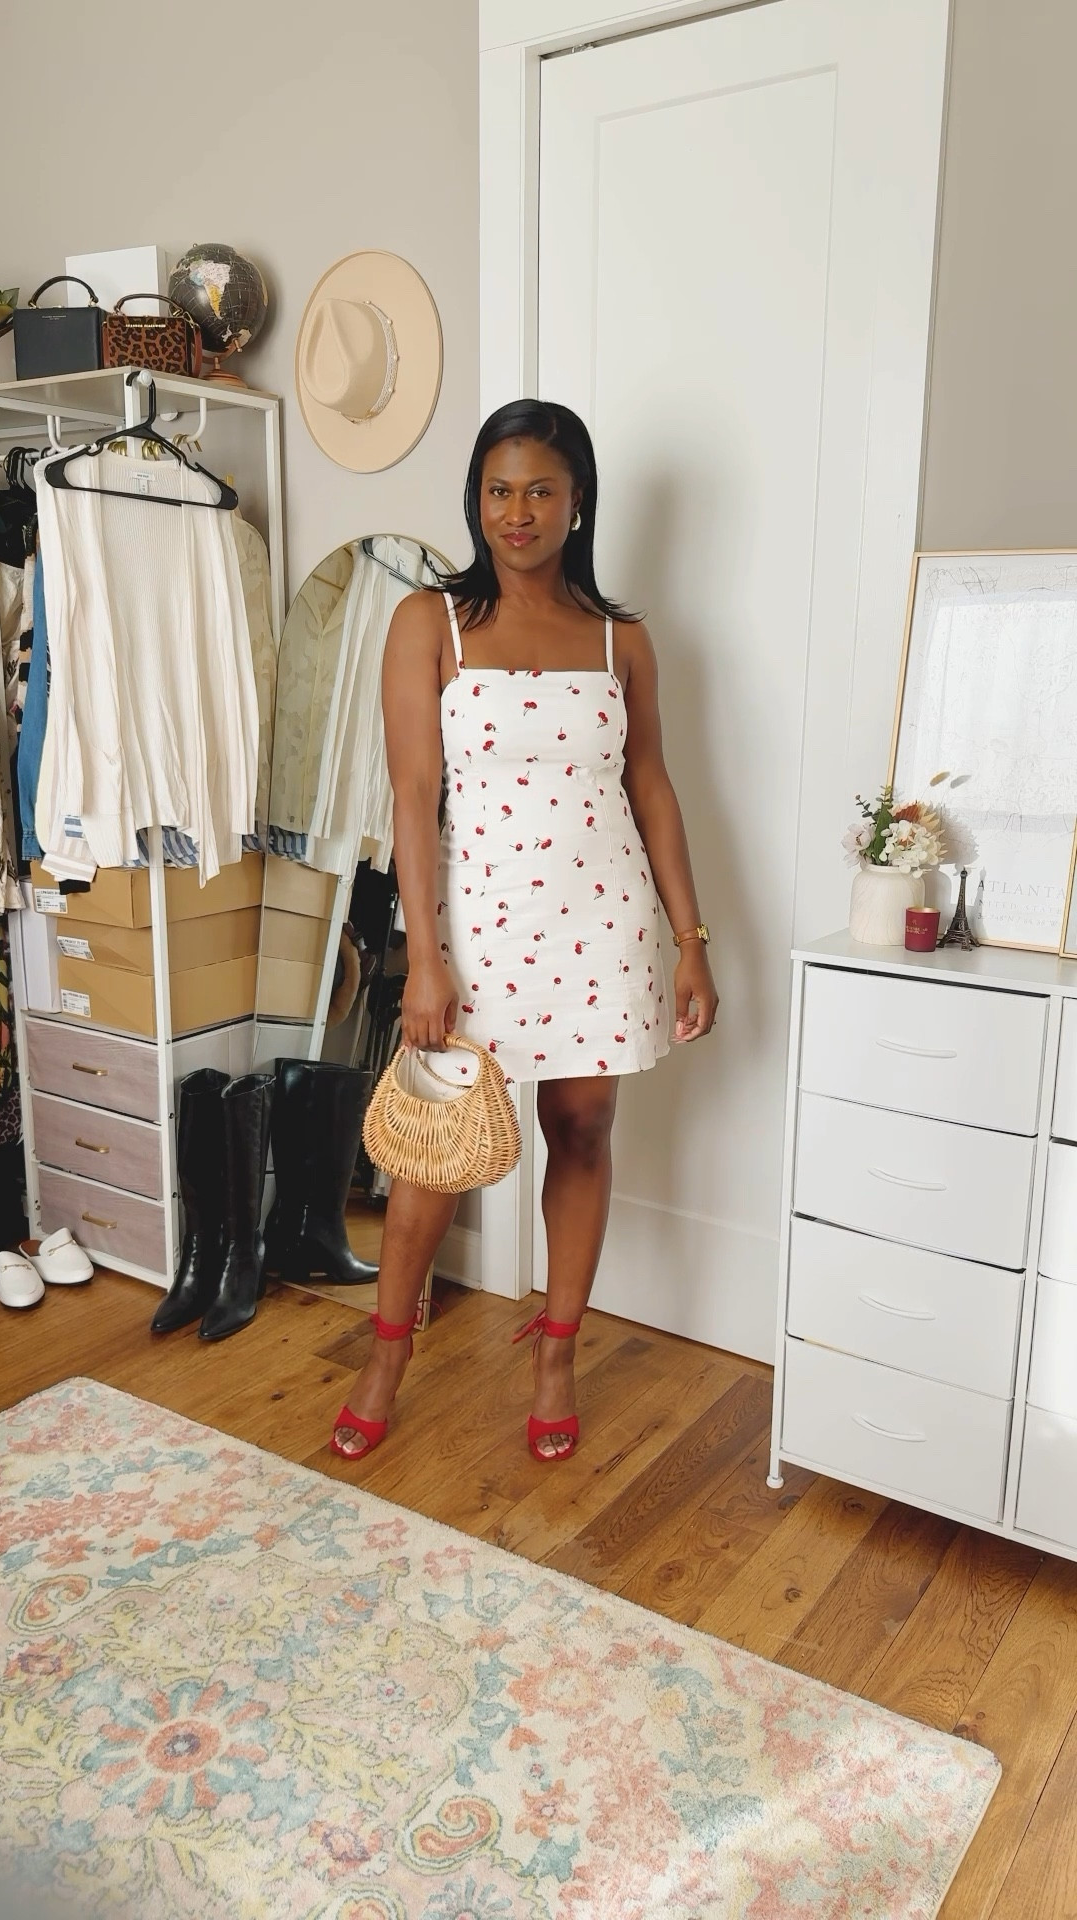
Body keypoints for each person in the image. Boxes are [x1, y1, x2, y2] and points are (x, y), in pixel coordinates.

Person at [331, 399, 718, 1463]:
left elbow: (652, 787)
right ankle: (386, 1359)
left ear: (578, 501)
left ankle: (555, 1354)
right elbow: (414, 796)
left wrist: (691, 939)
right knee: (433, 1158)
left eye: (541, 489)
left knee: (582, 1132)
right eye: (498, 490)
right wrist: (425, 956)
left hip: (603, 923)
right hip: (479, 936)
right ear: (477, 499)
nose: (517, 511)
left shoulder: (619, 639)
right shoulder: (431, 625)